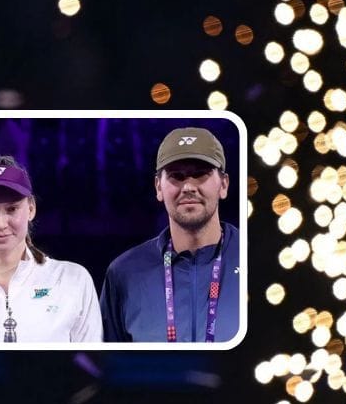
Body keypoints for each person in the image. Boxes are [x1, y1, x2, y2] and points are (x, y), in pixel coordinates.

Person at [99, 127, 240, 343]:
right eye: (176, 176)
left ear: (224, 184)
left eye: (200, 173)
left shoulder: (253, 257)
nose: (188, 186)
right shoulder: (124, 273)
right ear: (158, 187)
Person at [0, 156, 102, 343]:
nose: (0, 224)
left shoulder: (72, 279)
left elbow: (90, 358)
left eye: (12, 209)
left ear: (31, 209)